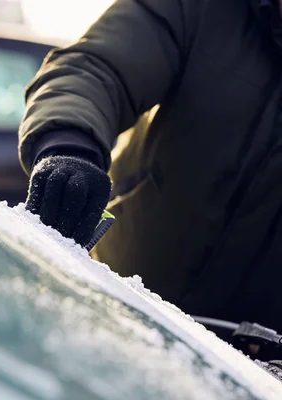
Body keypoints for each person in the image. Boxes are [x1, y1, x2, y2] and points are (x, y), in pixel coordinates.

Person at [19, 0, 282, 332]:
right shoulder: (197, 8)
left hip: (252, 373)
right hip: (105, 309)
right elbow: (95, 69)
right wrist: (70, 144)